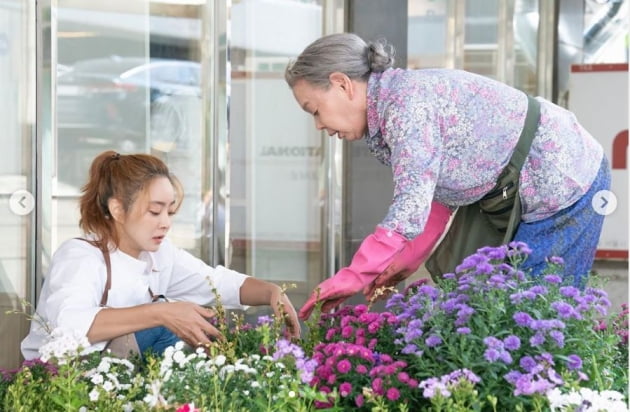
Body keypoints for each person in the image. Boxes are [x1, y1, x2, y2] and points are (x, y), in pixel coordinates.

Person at [286, 33, 610, 320]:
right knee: (503, 312)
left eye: (314, 109)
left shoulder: (405, 106)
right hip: (534, 188)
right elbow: (437, 196)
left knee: (537, 317)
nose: (318, 125)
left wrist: (355, 274)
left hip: (567, 182)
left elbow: (411, 203)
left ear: (342, 83)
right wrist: (404, 261)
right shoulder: (395, 102)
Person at [21, 151, 300, 360]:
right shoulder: (81, 256)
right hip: (64, 387)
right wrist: (161, 313)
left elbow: (216, 283)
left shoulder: (159, 255)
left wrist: (271, 292)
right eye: (155, 211)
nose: (165, 222)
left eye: (170, 211)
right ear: (117, 210)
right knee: (166, 324)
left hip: (122, 381)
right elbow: (68, 327)